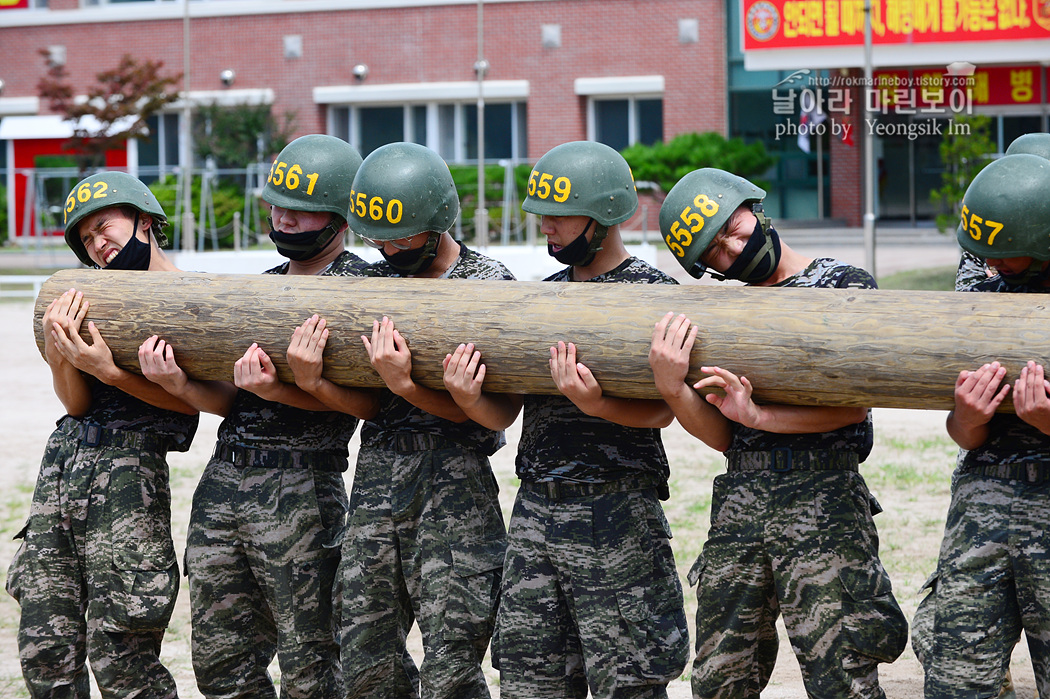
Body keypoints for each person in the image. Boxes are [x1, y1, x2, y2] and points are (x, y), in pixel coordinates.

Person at [647, 167, 907, 699]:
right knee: (720, 679)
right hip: (740, 502)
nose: (732, 248)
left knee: (842, 678)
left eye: (732, 228)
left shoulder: (843, 285)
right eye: (716, 251)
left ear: (754, 208)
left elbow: (853, 409)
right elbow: (725, 438)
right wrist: (675, 389)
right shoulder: (720, 312)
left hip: (824, 500)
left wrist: (760, 417)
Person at [137, 134, 375, 699]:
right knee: (222, 661)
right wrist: (182, 385)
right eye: (277, 205)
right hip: (225, 480)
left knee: (310, 658)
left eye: (301, 208)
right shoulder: (263, 289)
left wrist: (285, 389)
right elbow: (236, 401)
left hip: (302, 485)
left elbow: (369, 408)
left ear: (340, 214)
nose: (285, 219)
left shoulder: (363, 287)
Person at [493, 140, 689, 699]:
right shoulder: (542, 299)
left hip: (617, 508)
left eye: (560, 217)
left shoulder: (654, 295)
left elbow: (665, 407)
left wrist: (598, 404)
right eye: (543, 219)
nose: (547, 230)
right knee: (530, 680)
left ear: (605, 214)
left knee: (627, 678)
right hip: (535, 508)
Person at [336, 142, 520, 699]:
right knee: (364, 653)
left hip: (454, 484)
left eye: (400, 236)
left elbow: (494, 415)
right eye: (376, 239)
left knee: (453, 657)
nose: (387, 250)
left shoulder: (487, 283)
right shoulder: (369, 285)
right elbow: (366, 404)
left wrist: (407, 385)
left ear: (438, 220)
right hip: (375, 478)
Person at [6, 171, 199, 698]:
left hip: (128, 481)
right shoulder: (93, 295)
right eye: (87, 239)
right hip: (63, 474)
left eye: (105, 226)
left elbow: (189, 412)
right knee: (46, 646)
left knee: (124, 654)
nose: (98, 243)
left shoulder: (193, 298)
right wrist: (61, 349)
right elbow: (74, 404)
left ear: (143, 220)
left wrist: (113, 372)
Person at [914, 153, 1050, 698]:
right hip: (983, 502)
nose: (991, 267)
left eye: (1005, 257)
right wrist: (966, 419)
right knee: (956, 682)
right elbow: (966, 437)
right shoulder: (983, 295)